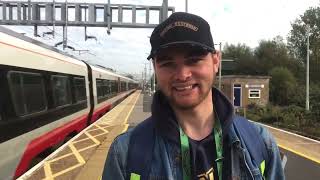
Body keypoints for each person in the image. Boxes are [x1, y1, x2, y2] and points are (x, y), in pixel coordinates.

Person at [102, 12, 285, 180]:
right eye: (167, 63)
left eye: (194, 60)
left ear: (215, 61)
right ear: (155, 69)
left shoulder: (261, 143)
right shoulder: (125, 155)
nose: (182, 75)